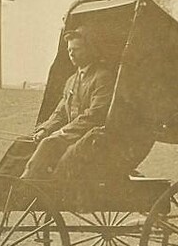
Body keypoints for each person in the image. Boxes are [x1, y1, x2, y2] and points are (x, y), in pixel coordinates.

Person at [20, 26, 114, 180]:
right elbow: (61, 112)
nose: (71, 53)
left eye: (76, 49)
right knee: (24, 142)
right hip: (70, 136)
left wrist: (62, 131)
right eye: (69, 50)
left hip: (89, 137)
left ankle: (23, 188)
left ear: (90, 49)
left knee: (48, 144)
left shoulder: (102, 77)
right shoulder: (71, 80)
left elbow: (95, 115)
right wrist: (45, 129)